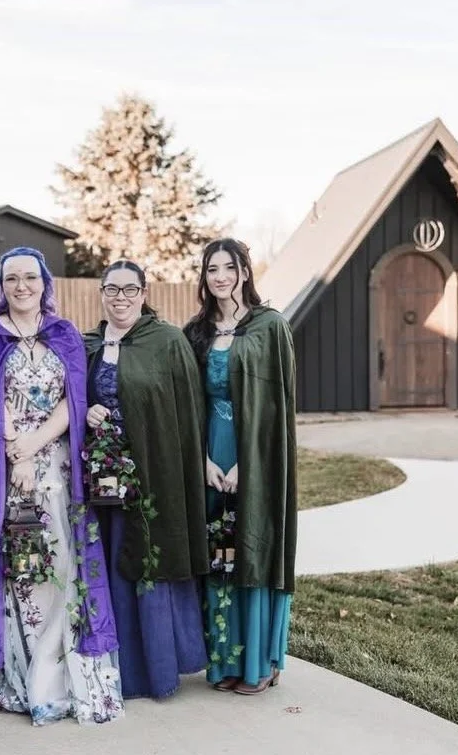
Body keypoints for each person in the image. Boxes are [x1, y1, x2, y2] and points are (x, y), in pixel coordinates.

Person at [0, 246, 123, 725]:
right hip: (4, 467)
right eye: (12, 279)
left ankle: (59, 677)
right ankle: (17, 672)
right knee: (19, 568)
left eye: (30, 277)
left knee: (63, 565)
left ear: (45, 282)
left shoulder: (64, 334)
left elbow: (75, 400)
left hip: (56, 468)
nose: (22, 286)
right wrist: (17, 452)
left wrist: (33, 446)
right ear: (1, 286)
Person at [83, 260, 209, 699]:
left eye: (129, 290)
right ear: (101, 293)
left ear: (143, 292)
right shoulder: (89, 344)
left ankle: (157, 668)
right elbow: (72, 398)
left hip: (156, 472)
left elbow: (188, 414)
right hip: (104, 478)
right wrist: (87, 411)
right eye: (112, 290)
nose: (121, 298)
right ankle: (121, 669)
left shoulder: (168, 342)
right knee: (113, 558)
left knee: (151, 558)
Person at [183, 238, 297, 695]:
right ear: (204, 277)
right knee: (218, 551)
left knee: (254, 544)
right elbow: (188, 402)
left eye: (228, 268)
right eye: (212, 269)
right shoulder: (196, 332)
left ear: (245, 271)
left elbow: (278, 406)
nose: (221, 277)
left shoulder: (270, 326)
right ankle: (226, 663)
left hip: (258, 454)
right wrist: (205, 458)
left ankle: (260, 663)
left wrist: (248, 464)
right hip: (211, 448)